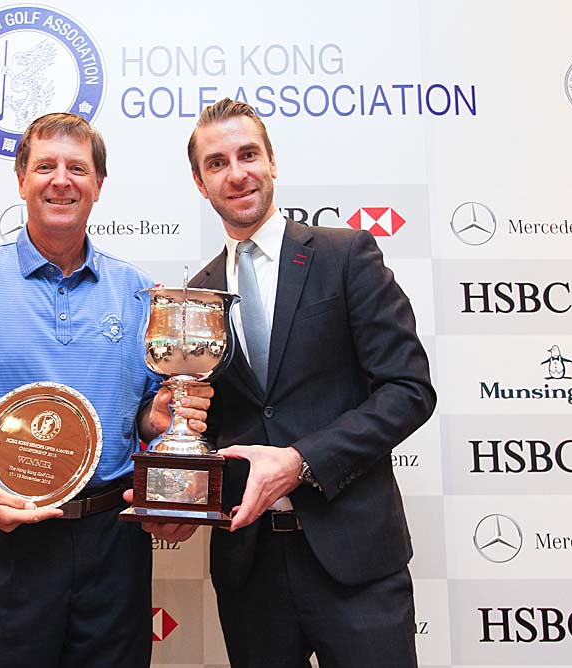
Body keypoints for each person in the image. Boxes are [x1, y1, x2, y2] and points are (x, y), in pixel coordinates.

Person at [0, 112, 210, 668]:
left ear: (98, 185)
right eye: (45, 166)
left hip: (109, 544)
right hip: (1, 541)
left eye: (78, 167)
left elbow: (147, 416)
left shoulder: (138, 291)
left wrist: (162, 413)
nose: (61, 180)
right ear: (21, 178)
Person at [183, 98, 436, 667]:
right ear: (200, 183)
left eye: (249, 155)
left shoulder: (345, 255)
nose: (237, 172)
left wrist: (301, 460)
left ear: (273, 162)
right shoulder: (196, 295)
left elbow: (408, 389)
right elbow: (213, 427)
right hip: (251, 570)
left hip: (354, 560)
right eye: (217, 163)